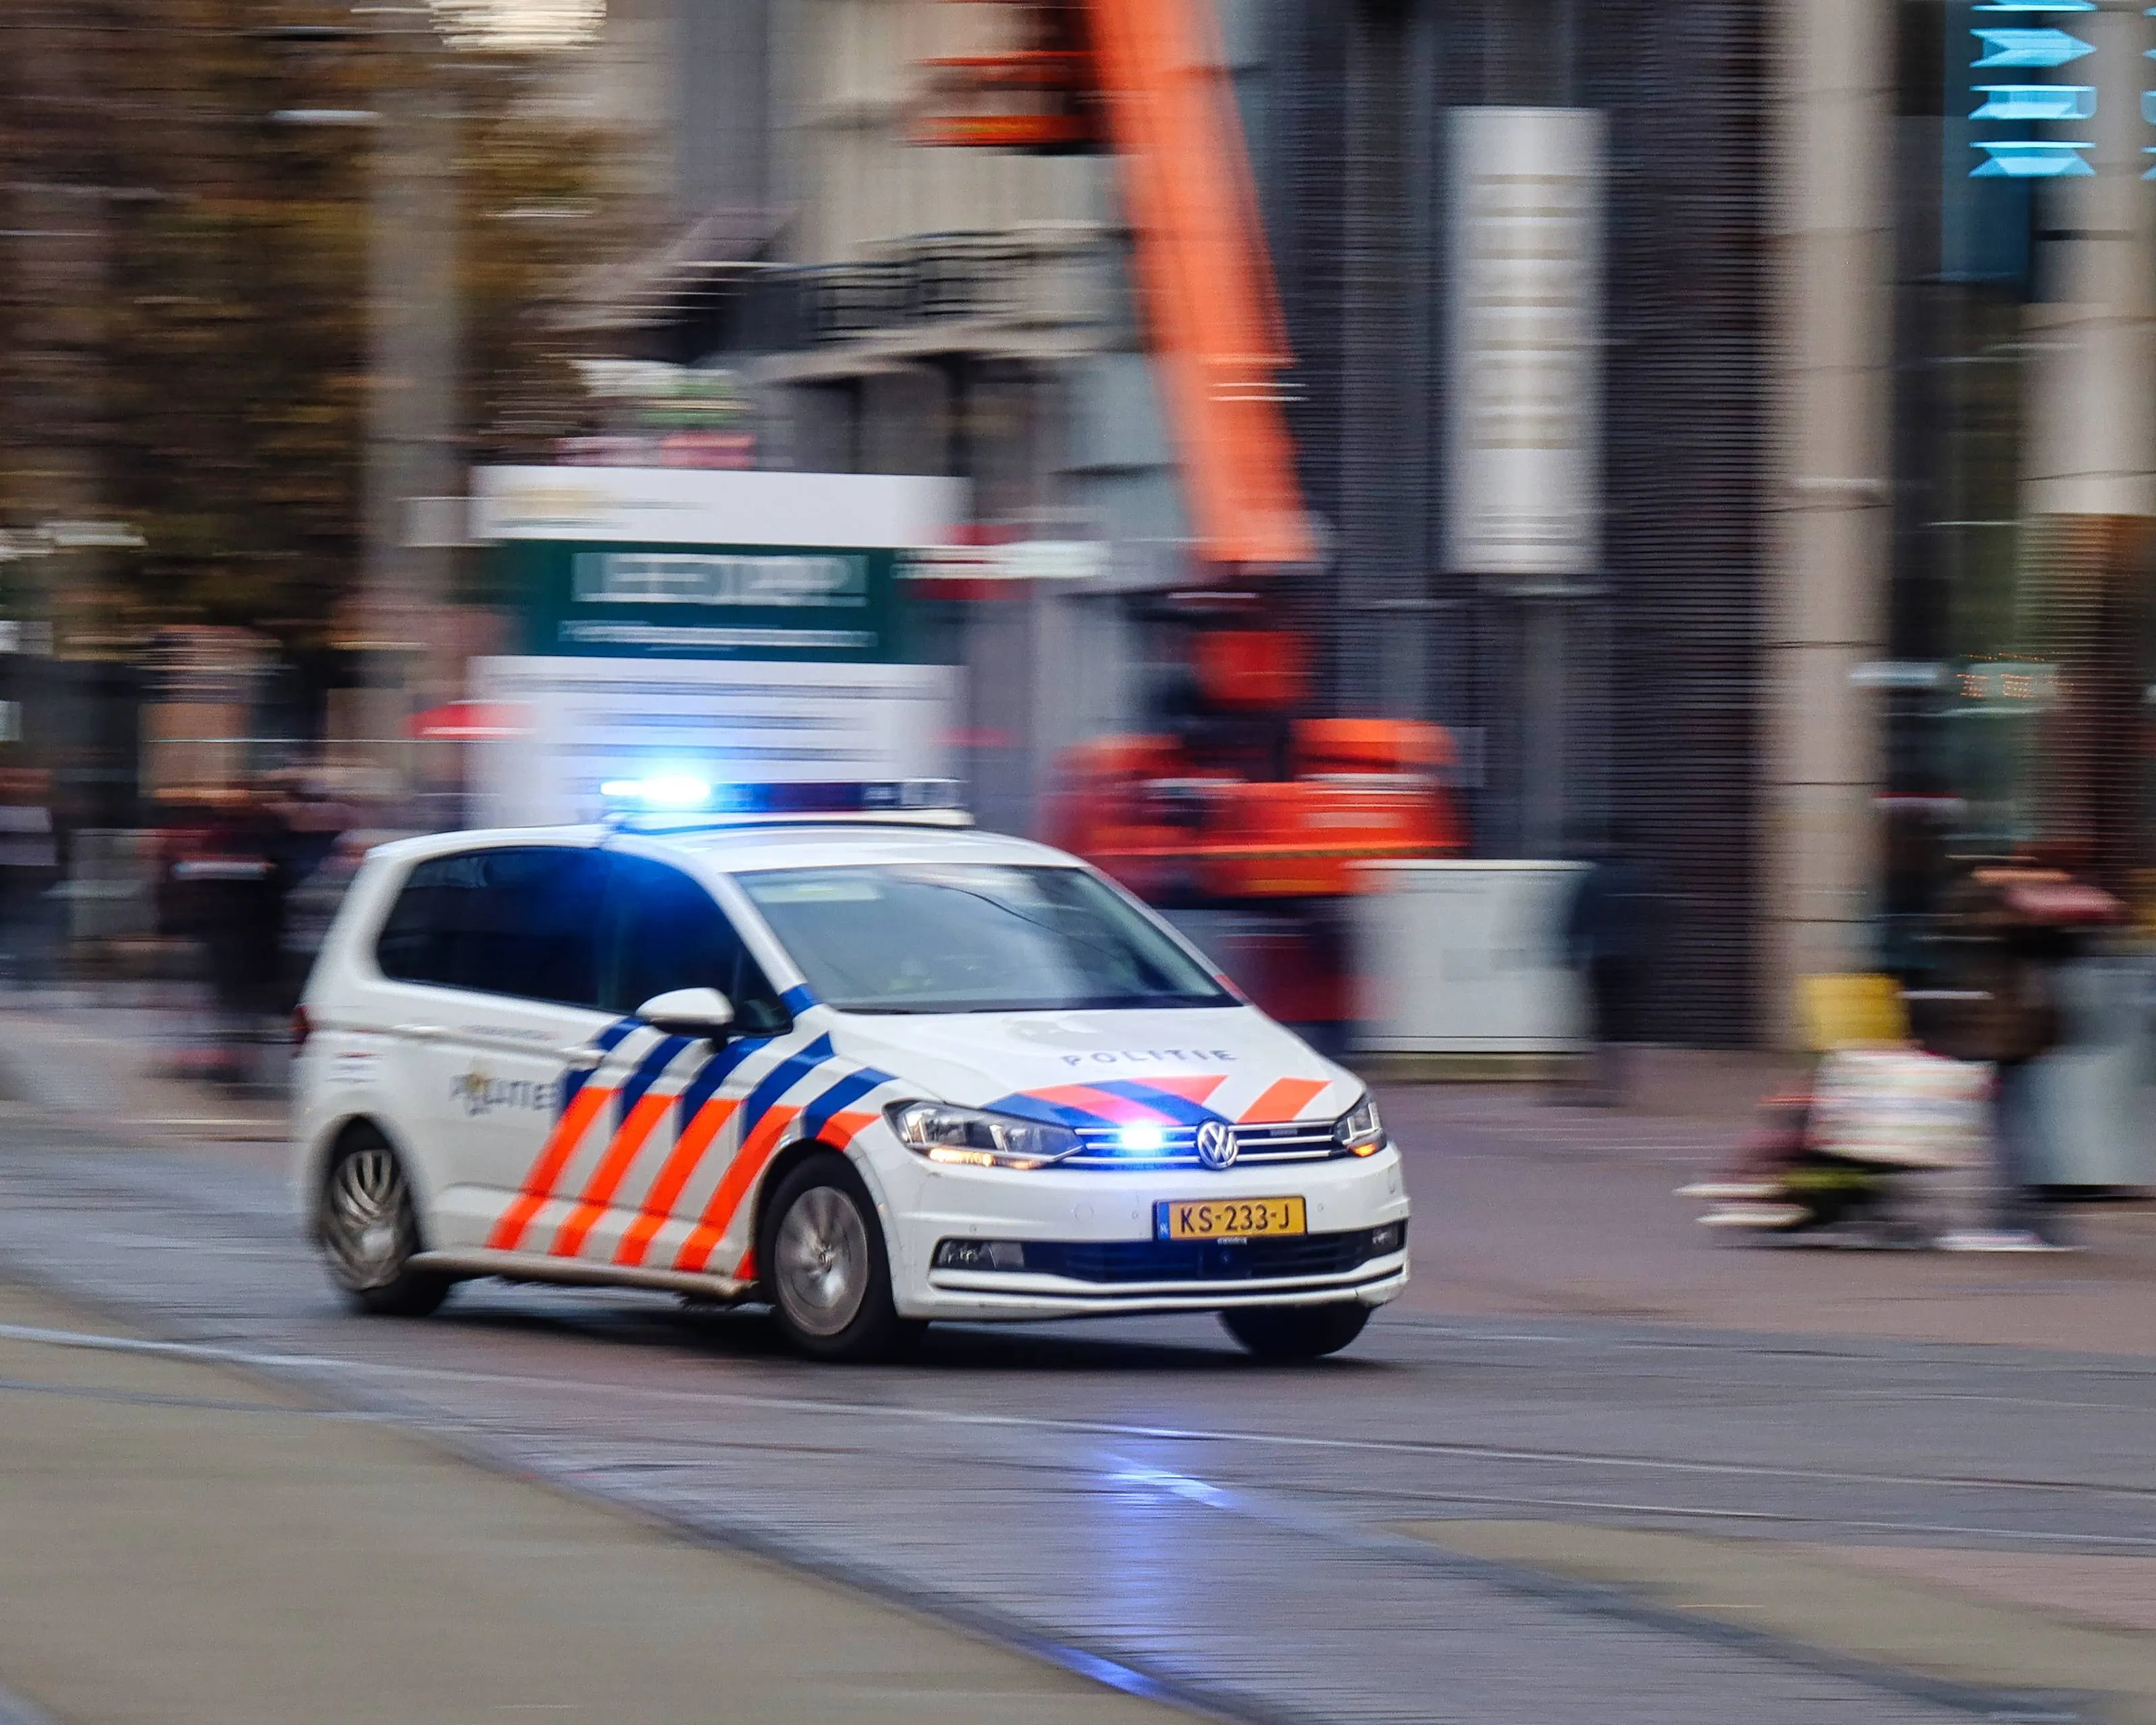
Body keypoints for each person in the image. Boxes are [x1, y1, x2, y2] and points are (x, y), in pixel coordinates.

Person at [1917, 858, 2117, 1251]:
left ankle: (2017, 1222)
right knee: (2020, 1130)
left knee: (2012, 1132)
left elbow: (1954, 928)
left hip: (2006, 1040)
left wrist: (2044, 918)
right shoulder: (2021, 921)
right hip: (2016, 1038)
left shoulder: (2000, 916)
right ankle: (2029, 1221)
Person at [1560, 844, 1657, 1106]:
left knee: (1603, 1021)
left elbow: (1577, 918)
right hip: (1633, 960)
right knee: (1627, 1022)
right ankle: (1624, 1083)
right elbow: (1652, 918)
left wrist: (1569, 955)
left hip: (1602, 960)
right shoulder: (1638, 878)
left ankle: (1607, 1083)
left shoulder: (1592, 879)